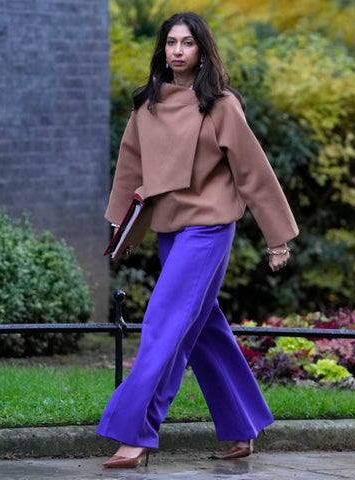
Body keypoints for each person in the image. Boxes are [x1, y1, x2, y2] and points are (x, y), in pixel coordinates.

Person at [97, 11, 299, 468]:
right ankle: (242, 425)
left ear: (203, 51)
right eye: (171, 42)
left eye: (187, 43)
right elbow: (130, 165)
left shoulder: (221, 105)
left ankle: (136, 433)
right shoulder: (147, 103)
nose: (178, 51)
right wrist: (121, 226)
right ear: (162, 49)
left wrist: (277, 238)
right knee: (205, 329)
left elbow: (253, 171)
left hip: (209, 230)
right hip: (170, 229)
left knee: (163, 325)